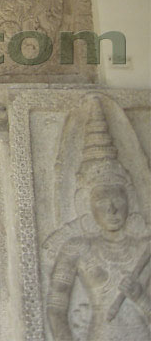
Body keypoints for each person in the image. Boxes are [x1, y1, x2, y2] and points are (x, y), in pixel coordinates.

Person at [46, 100, 151, 341]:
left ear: (130, 200)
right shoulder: (77, 249)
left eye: (118, 199)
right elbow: (55, 309)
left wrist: (142, 299)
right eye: (103, 200)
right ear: (87, 203)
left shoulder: (144, 248)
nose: (112, 209)